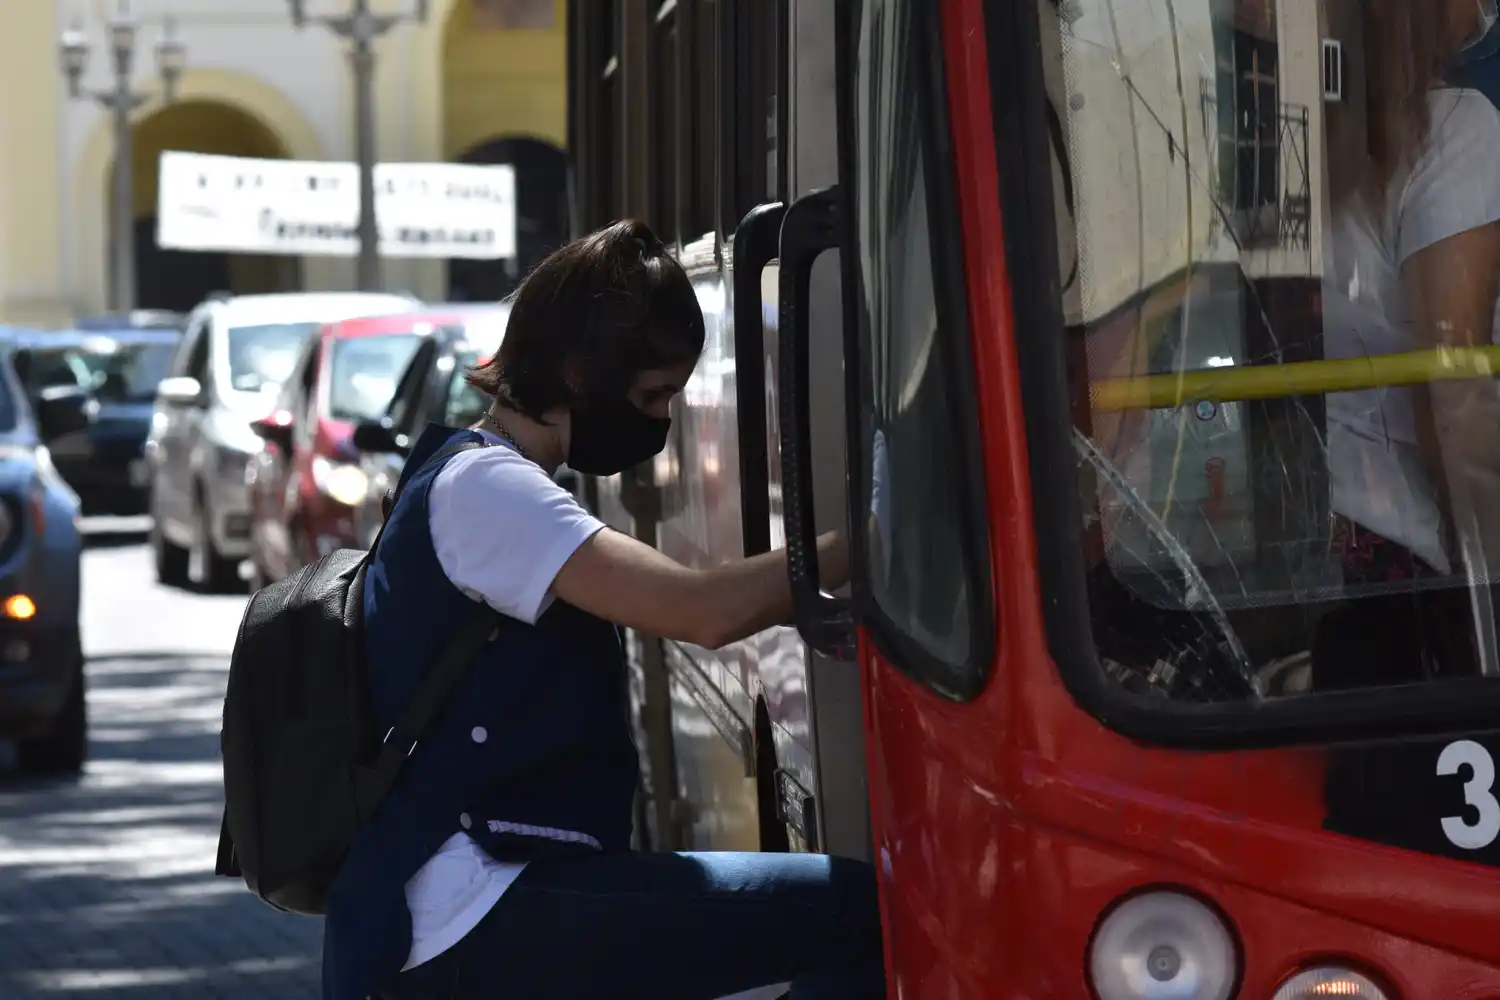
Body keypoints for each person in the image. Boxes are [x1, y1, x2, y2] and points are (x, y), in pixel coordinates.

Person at [321, 219, 883, 1000]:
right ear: (580, 371)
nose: (660, 423)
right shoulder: (490, 491)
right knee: (855, 916)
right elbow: (700, 610)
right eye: (652, 395)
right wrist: (874, 538)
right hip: (473, 904)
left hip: (467, 897)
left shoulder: (471, 473)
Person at [1314, 0, 1500, 688]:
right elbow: (1454, 401)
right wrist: (1492, 573)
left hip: (1323, 556)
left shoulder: (1299, 139)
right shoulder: (1456, 130)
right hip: (1417, 571)